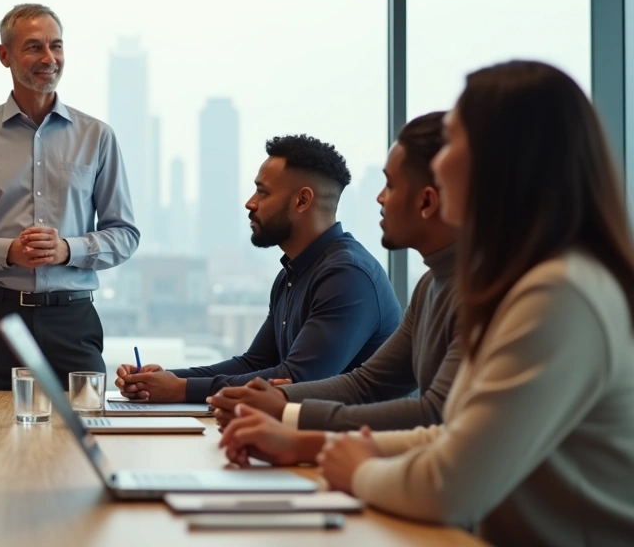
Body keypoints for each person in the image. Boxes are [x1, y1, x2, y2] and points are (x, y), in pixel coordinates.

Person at [223, 61, 634, 546]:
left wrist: (355, 468)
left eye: (453, 142)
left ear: (499, 161)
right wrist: (308, 443)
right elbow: (454, 436)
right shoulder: (518, 282)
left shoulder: (558, 295)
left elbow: (451, 484)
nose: (437, 165)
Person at [0, 3, 140, 390]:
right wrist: (7, 251)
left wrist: (68, 250)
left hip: (72, 322)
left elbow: (125, 234)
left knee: (82, 426)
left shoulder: (97, 137)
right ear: (4, 55)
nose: (49, 58)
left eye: (56, 46)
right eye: (34, 47)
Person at [209, 112, 461, 432]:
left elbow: (436, 414)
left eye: (390, 185)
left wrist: (286, 409)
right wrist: (282, 399)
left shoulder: (350, 273)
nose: (380, 198)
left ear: (427, 201)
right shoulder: (429, 285)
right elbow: (366, 383)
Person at [115, 135, 400, 403]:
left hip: (357, 436)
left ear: (302, 200)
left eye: (262, 192)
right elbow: (255, 363)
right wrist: (164, 379)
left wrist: (181, 389)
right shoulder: (291, 273)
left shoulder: (347, 275)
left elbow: (298, 379)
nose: (250, 203)